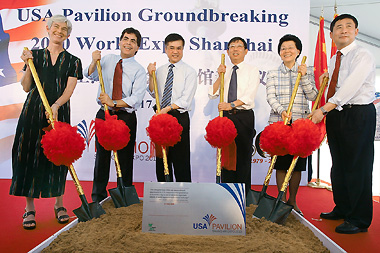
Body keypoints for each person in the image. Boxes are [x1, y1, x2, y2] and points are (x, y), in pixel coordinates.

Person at [10, 15, 83, 229]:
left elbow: (69, 89)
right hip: (32, 113)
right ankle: (29, 209)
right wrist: (26, 64)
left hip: (58, 114)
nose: (59, 31)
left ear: (68, 35)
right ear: (48, 29)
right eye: (56, 27)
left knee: (59, 158)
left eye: (64, 29)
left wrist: (56, 105)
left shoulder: (73, 61)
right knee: (28, 155)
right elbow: (25, 87)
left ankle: (59, 205)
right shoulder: (34, 56)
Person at [309, 14, 376, 234]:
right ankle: (343, 208)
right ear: (331, 34)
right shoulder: (335, 57)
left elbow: (351, 87)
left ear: (356, 32)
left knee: (357, 166)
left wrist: (323, 109)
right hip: (337, 115)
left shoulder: (362, 55)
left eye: (349, 26)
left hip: (357, 114)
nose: (343, 30)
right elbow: (338, 86)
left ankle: (358, 219)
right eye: (339, 27)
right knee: (339, 165)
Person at [85, 27, 146, 202]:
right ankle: (98, 197)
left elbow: (137, 98)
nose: (128, 43)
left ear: (137, 48)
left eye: (133, 41)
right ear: (120, 42)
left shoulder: (139, 70)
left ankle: (124, 196)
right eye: (126, 39)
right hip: (104, 114)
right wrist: (92, 62)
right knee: (102, 158)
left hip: (125, 117)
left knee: (125, 159)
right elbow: (89, 75)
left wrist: (113, 102)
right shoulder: (107, 59)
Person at [266, 34, 318, 215]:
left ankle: (293, 200)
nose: (286, 51)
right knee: (281, 164)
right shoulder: (273, 73)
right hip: (280, 124)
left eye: (290, 48)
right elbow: (270, 97)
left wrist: (303, 77)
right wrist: (281, 110)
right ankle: (280, 199)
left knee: (297, 165)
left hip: (300, 126)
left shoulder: (307, 72)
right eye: (283, 48)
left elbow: (313, 97)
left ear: (298, 51)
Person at [208, 37, 260, 195]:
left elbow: (249, 96)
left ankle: (243, 194)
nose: (235, 49)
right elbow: (212, 93)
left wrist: (230, 105)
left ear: (246, 51)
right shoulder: (225, 71)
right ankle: (226, 192)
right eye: (232, 47)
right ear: (228, 51)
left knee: (243, 156)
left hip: (243, 117)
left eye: (239, 46)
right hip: (226, 118)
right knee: (226, 157)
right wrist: (219, 75)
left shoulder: (252, 70)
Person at [147, 33, 197, 182]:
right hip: (161, 119)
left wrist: (167, 109)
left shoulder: (190, 71)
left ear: (183, 49)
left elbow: (186, 99)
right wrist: (150, 76)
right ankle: (163, 194)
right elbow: (152, 91)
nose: (175, 51)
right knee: (162, 160)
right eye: (172, 48)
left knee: (181, 160)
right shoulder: (160, 70)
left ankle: (184, 196)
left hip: (178, 117)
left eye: (179, 48)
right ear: (166, 49)